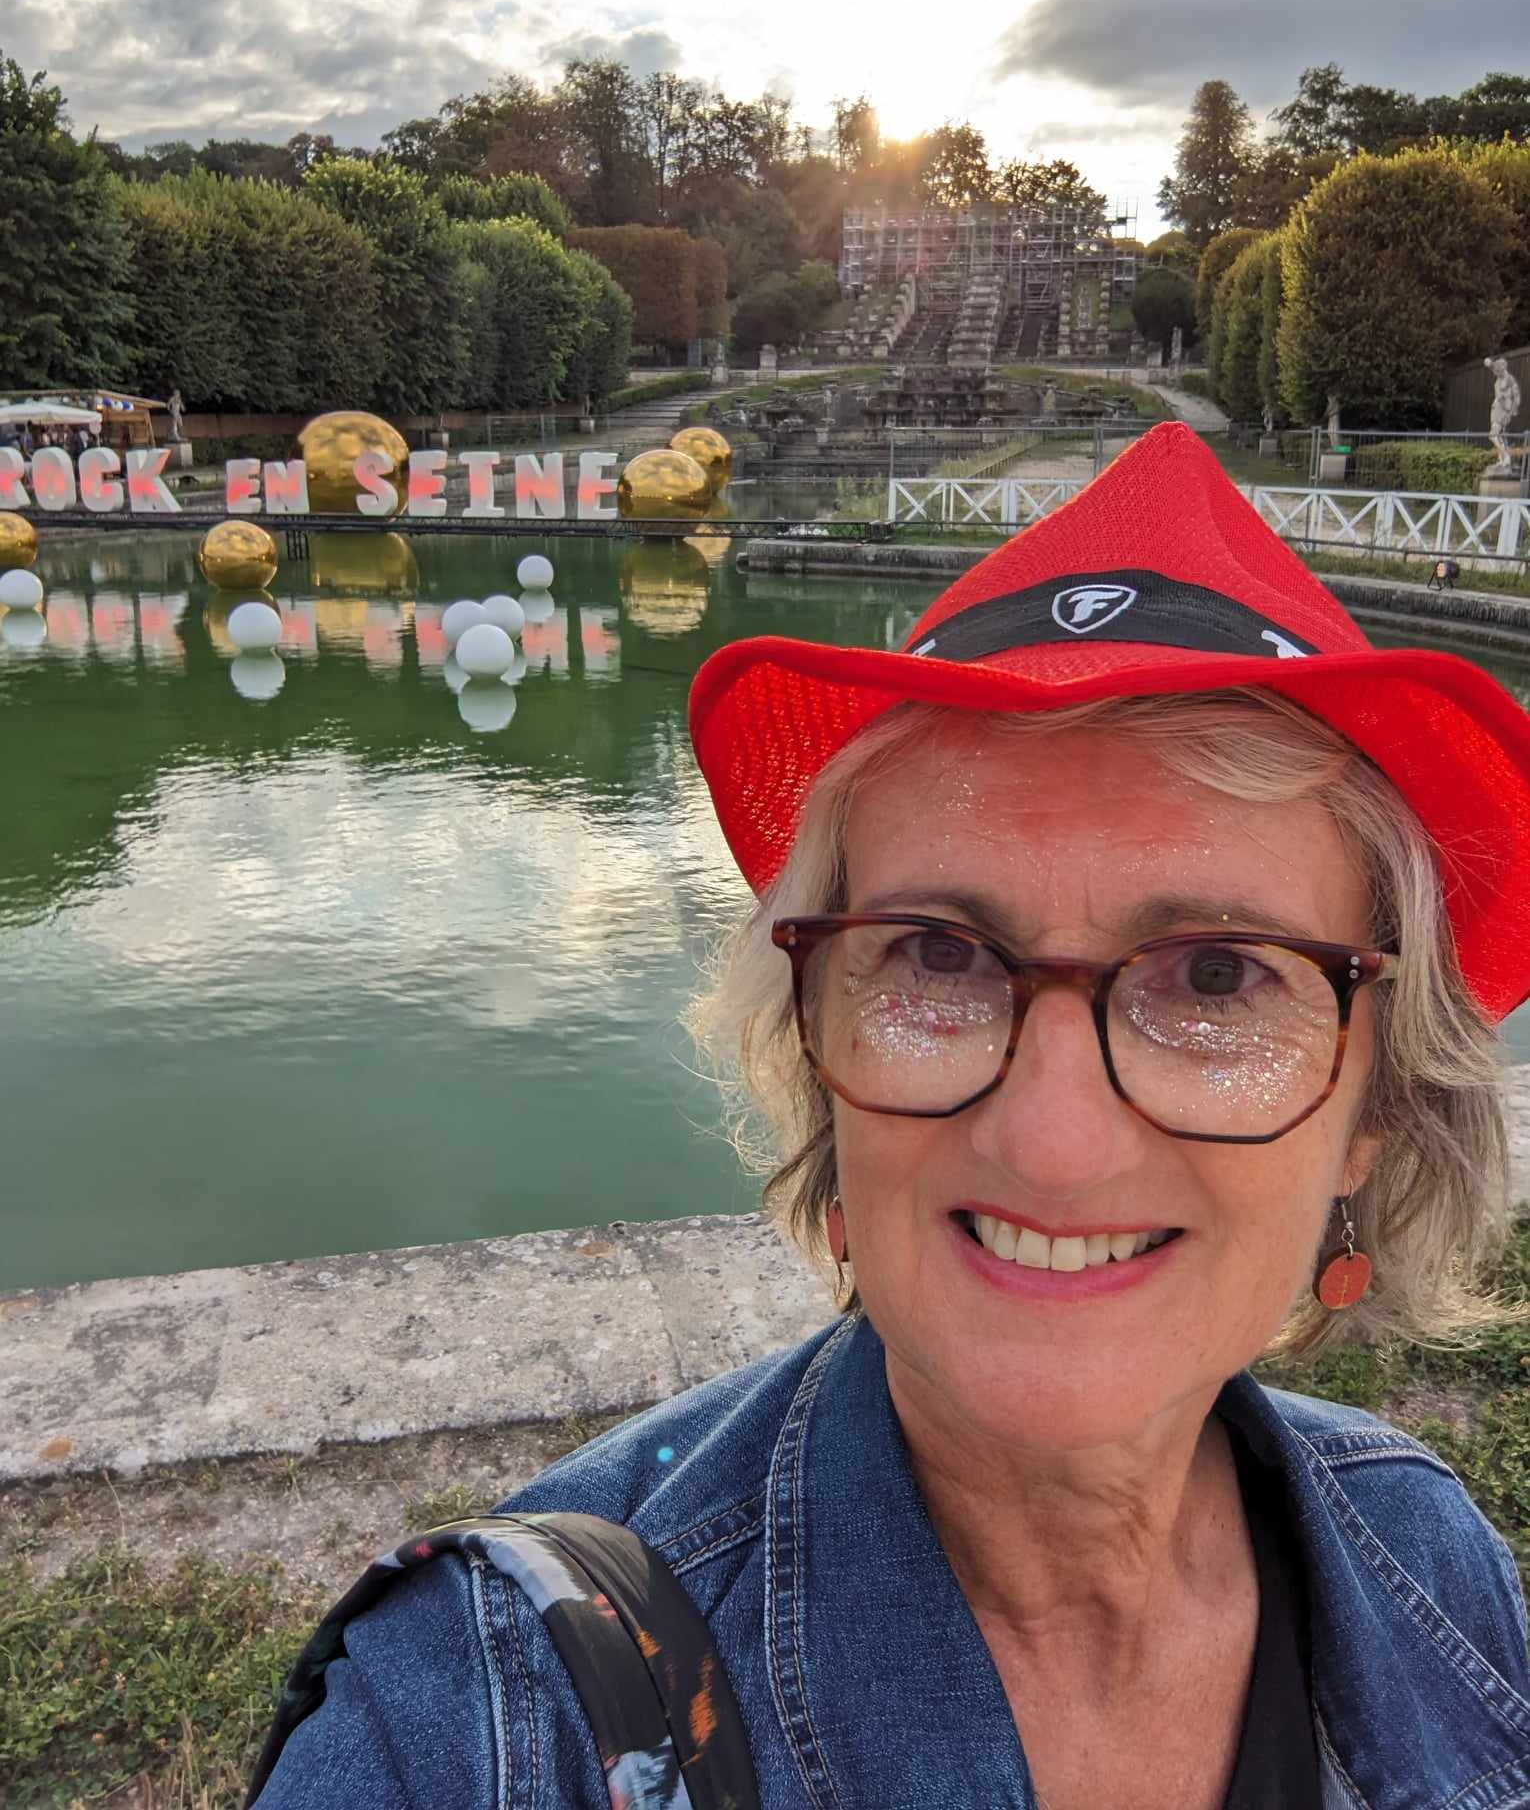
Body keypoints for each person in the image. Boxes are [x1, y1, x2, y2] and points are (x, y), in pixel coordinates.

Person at [252, 423, 1530, 1809]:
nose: (1053, 1140)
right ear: (816, 1054)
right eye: (935, 957)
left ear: (1373, 1108)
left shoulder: (1424, 1548)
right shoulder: (488, 1715)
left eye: (1217, 976)